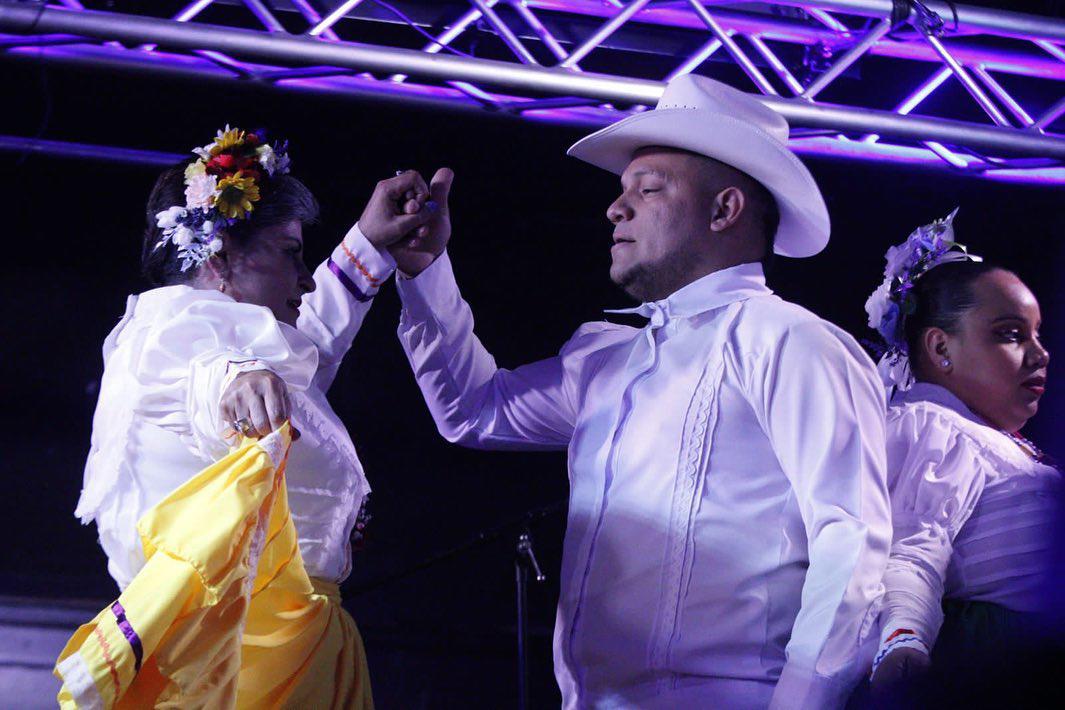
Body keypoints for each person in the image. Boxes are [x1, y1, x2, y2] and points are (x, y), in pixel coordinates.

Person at [384, 74, 891, 708]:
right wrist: (425, 272)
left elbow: (853, 542)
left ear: (724, 209)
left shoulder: (790, 342)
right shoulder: (607, 356)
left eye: (648, 190)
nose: (615, 208)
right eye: (621, 191)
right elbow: (472, 411)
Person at [69, 125, 441, 707]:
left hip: (293, 639)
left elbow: (305, 349)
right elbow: (194, 373)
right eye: (290, 253)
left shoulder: (255, 342)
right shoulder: (169, 330)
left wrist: (371, 243)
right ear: (219, 256)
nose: (307, 275)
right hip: (237, 653)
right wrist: (235, 384)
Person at [863, 210, 1059, 697]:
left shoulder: (993, 442)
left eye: (1038, 334)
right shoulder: (932, 427)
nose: (1040, 354)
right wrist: (902, 641)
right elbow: (910, 547)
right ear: (940, 348)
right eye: (1011, 334)